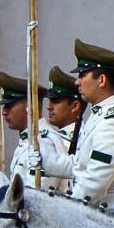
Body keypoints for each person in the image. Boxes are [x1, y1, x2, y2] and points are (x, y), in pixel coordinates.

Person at [18, 40, 114, 210]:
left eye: (82, 75)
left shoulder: (113, 121)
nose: (77, 82)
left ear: (102, 80)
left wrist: (66, 211)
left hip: (113, 217)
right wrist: (47, 161)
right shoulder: (100, 114)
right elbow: (81, 164)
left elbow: (95, 182)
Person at [0, 70, 51, 187]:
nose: (4, 112)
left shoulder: (45, 142)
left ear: (30, 107)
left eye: (10, 105)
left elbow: (37, 197)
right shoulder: (28, 140)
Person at [37, 67, 82, 195]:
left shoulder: (83, 140)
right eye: (50, 100)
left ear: (75, 106)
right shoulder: (53, 137)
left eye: (56, 102)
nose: (49, 107)